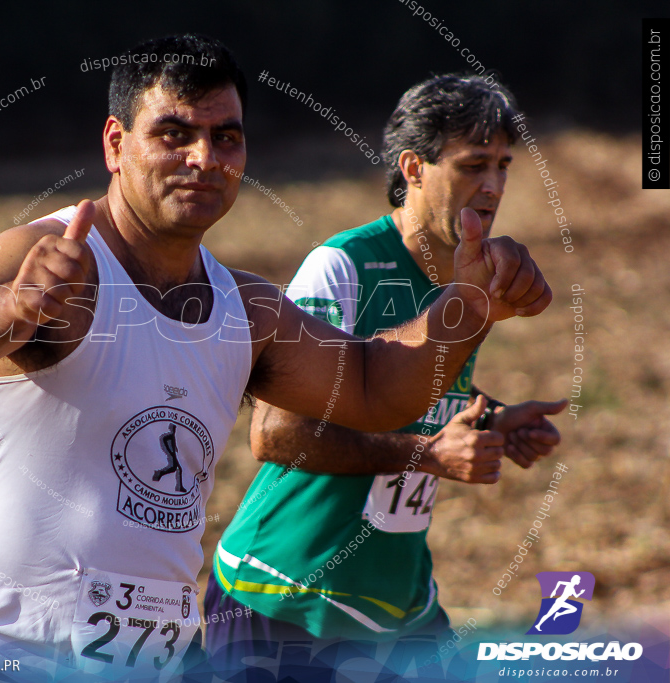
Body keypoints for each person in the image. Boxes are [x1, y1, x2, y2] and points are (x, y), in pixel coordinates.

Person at [0, 36, 551, 681]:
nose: (204, 156)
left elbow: (380, 390)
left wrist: (467, 304)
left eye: (226, 137)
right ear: (116, 145)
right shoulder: (47, 258)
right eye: (174, 133)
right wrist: (14, 305)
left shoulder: (246, 309)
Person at [205, 74, 567, 673]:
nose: (494, 186)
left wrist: (493, 419)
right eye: (474, 164)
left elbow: (413, 390)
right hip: (287, 593)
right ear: (413, 167)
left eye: (503, 165)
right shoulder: (343, 266)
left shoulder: (465, 273)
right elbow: (277, 435)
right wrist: (428, 455)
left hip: (396, 597)